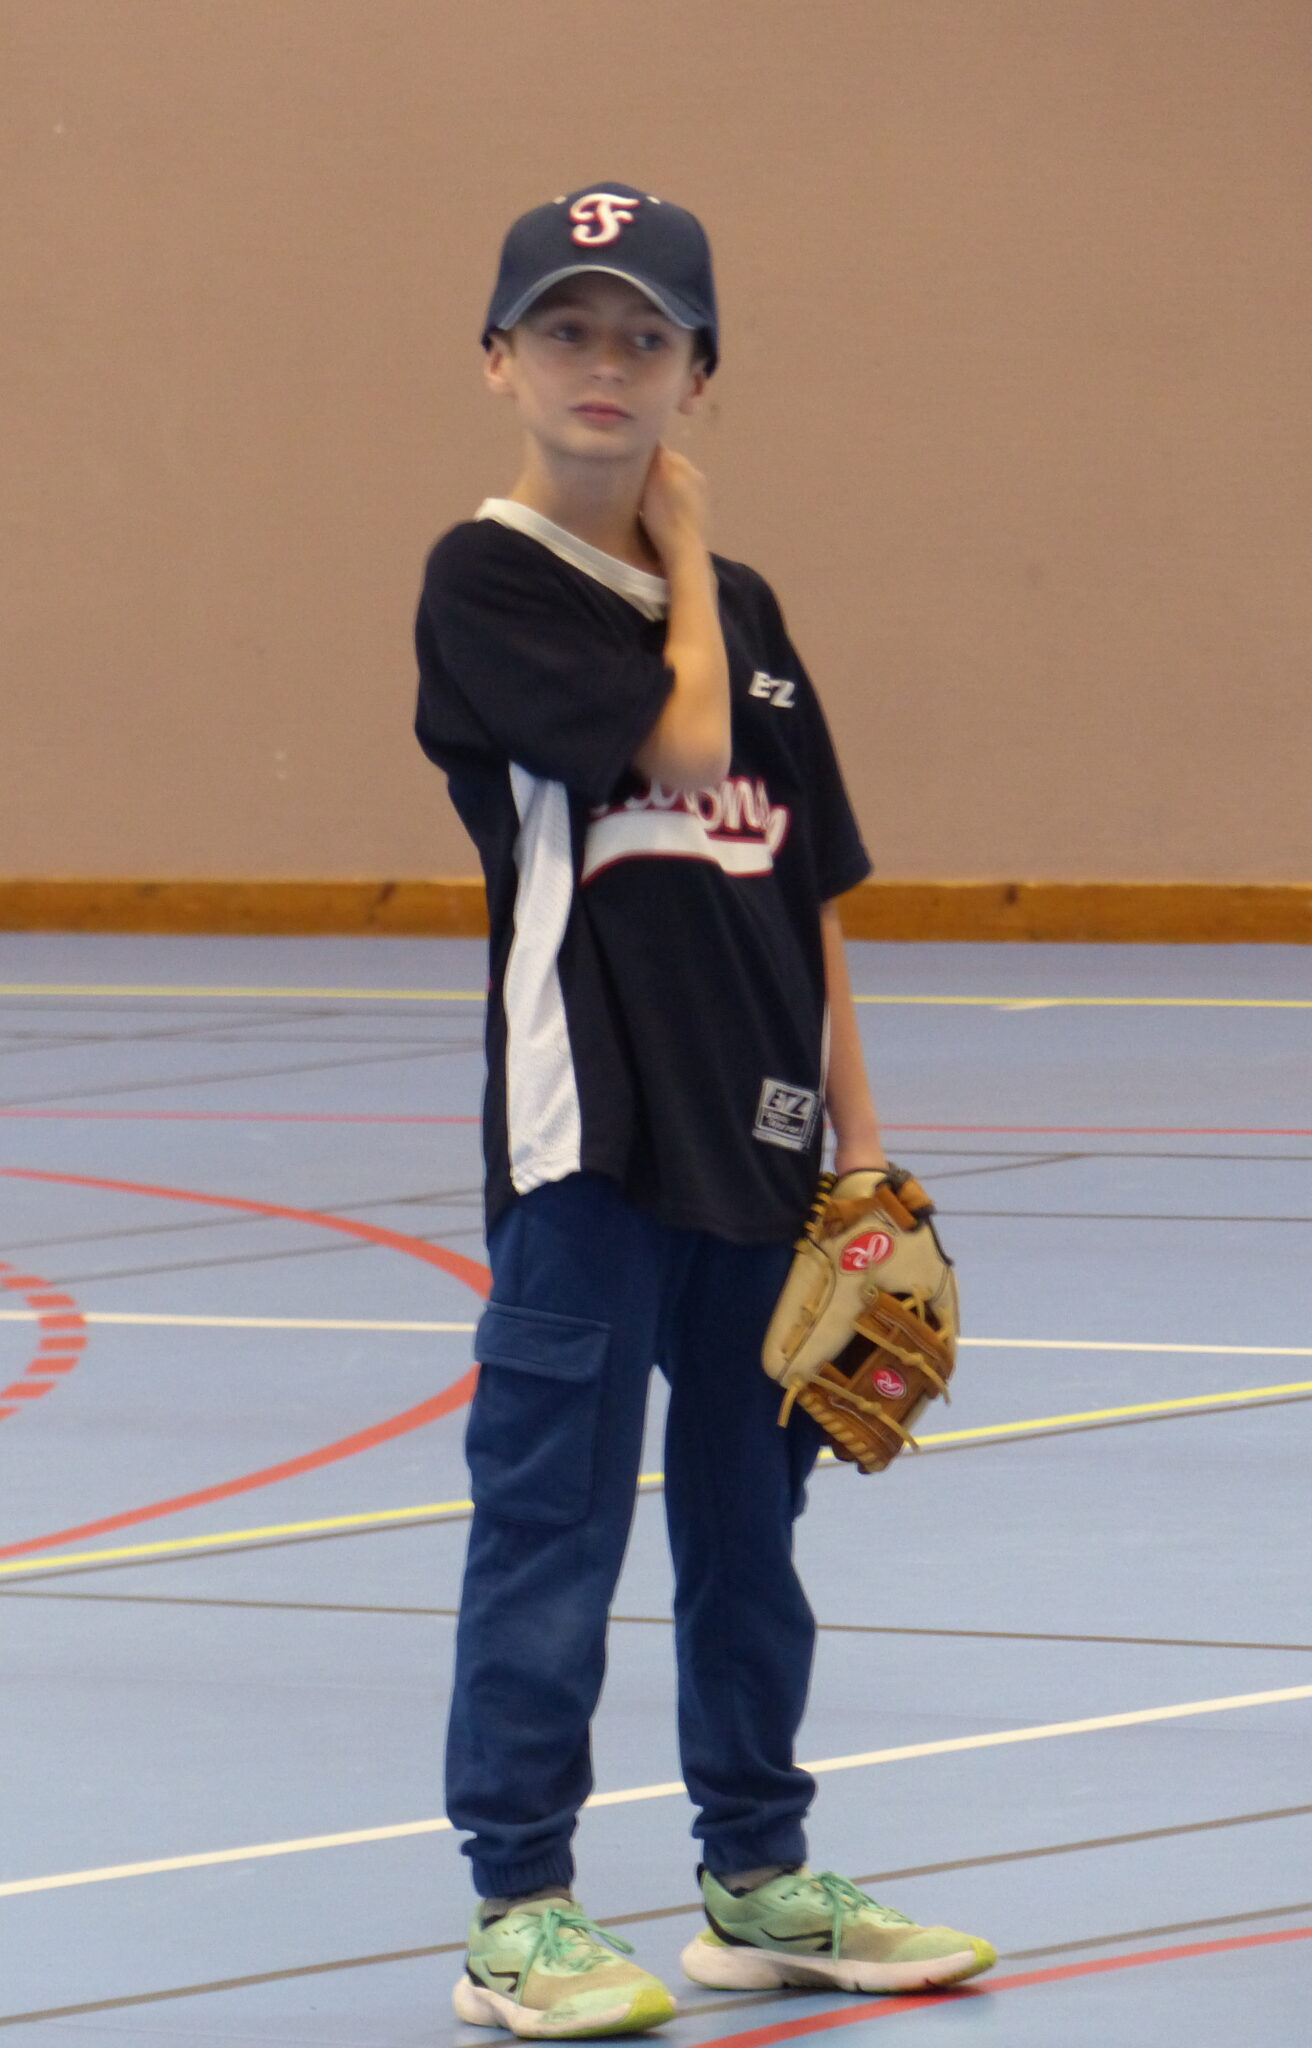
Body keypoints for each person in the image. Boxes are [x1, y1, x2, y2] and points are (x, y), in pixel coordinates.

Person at [414, 181, 994, 2039]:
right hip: (589, 1153)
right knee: (553, 1533)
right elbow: (679, 747)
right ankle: (520, 1908)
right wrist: (684, 549)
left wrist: (862, 1156)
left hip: (762, 1159)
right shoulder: (490, 580)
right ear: (498, 360)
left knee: (753, 1543)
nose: (605, 363)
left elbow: (807, 889)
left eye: (646, 336)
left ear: (699, 373)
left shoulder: (748, 614)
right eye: (567, 328)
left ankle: (758, 1879)